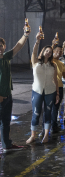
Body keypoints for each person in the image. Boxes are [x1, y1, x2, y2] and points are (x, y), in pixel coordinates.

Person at [0, 23, 30, 151]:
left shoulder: (6, 57)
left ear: (4, 47)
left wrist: (25, 35)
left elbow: (18, 46)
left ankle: (7, 145)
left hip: (8, 96)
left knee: (6, 122)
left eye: (1, 46)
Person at [26, 32, 58, 144]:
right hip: (37, 91)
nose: (48, 53)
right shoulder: (36, 63)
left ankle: (46, 135)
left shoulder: (53, 65)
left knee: (47, 113)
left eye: (50, 52)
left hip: (51, 91)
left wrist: (57, 94)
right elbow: (34, 52)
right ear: (43, 51)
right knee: (36, 113)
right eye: (47, 51)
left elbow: (56, 80)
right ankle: (33, 135)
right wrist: (37, 41)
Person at [48, 42, 65, 133]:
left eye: (60, 51)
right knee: (48, 107)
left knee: (56, 107)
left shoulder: (61, 64)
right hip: (50, 87)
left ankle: (54, 125)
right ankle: (46, 126)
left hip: (60, 87)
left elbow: (64, 76)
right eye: (57, 51)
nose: (58, 52)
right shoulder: (50, 60)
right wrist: (52, 44)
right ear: (53, 51)